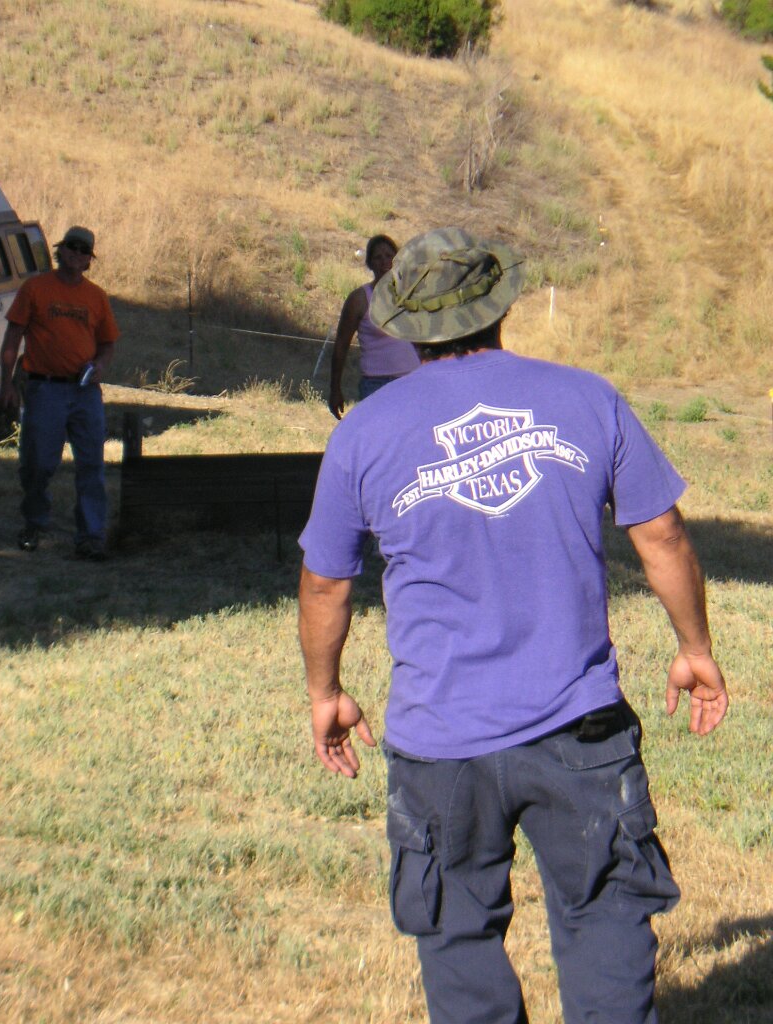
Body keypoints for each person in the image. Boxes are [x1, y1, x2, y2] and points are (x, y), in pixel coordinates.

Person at [298, 227, 728, 1024]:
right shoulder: (587, 398)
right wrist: (694, 649)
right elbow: (661, 535)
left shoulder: (360, 435)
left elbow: (327, 581)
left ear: (407, 326)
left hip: (440, 745)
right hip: (581, 730)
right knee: (604, 914)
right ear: (501, 306)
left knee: (456, 939)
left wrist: (325, 690)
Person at [0, 225, 120, 560]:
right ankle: (34, 522)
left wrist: (100, 365)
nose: (76, 254)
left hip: (84, 392)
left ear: (89, 261)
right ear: (60, 250)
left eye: (84, 251)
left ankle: (91, 536)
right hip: (44, 387)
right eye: (72, 247)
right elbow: (12, 339)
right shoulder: (36, 288)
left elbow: (108, 343)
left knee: (92, 464)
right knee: (38, 463)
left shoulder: (95, 296)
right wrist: (7, 383)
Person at [327, 234, 420, 419]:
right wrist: (335, 389)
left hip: (413, 381)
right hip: (377, 384)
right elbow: (340, 347)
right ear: (369, 264)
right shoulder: (360, 299)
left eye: (388, 255)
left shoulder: (411, 294)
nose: (384, 261)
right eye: (378, 257)